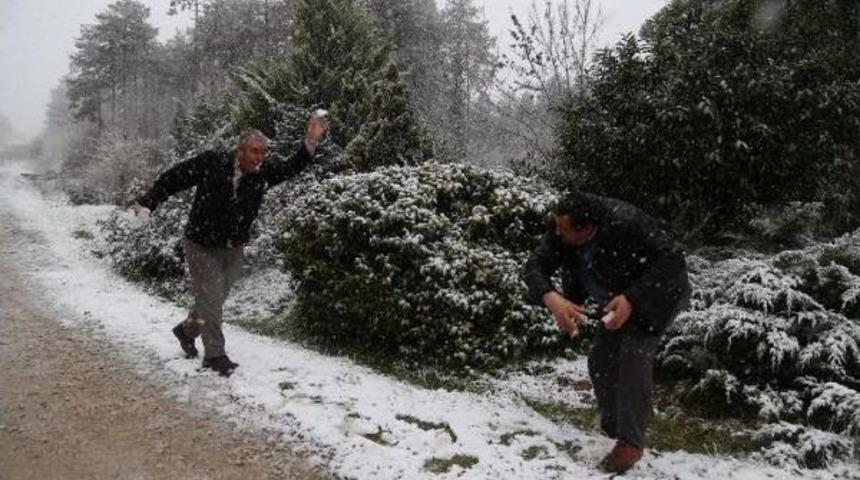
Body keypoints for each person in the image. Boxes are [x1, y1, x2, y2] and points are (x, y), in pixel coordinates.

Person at [132, 112, 329, 376]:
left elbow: (292, 166)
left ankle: (187, 330)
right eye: (254, 152)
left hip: (233, 247)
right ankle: (215, 355)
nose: (259, 158)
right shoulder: (212, 163)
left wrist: (310, 141)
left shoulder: (264, 173)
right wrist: (149, 201)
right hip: (200, 243)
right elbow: (175, 177)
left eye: (263, 153)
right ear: (240, 150)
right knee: (211, 298)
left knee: (213, 300)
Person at [523, 191, 691, 474]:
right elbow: (534, 266)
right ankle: (615, 427)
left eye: (563, 230)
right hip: (616, 298)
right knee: (601, 359)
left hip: (656, 296)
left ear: (585, 228)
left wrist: (632, 298)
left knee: (632, 357)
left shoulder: (626, 224)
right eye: (556, 226)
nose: (556, 234)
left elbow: (672, 261)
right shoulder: (561, 226)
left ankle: (630, 444)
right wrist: (550, 297)